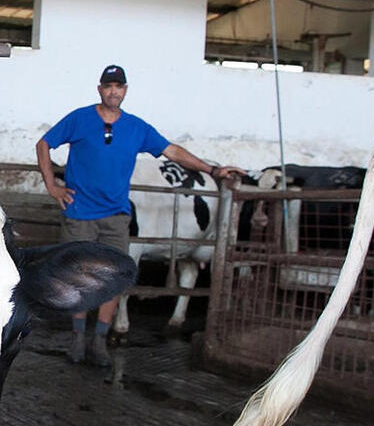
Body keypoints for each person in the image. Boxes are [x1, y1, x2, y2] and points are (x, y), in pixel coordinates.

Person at [36, 63, 246, 365]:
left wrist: (212, 169)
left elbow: (172, 151)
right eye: (108, 86)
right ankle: (78, 338)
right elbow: (44, 143)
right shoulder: (79, 119)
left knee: (114, 278)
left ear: (125, 91)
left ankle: (99, 340)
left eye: (118, 87)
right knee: (78, 275)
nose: (113, 92)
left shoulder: (136, 128)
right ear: (100, 89)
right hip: (79, 211)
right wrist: (51, 185)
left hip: (117, 215)